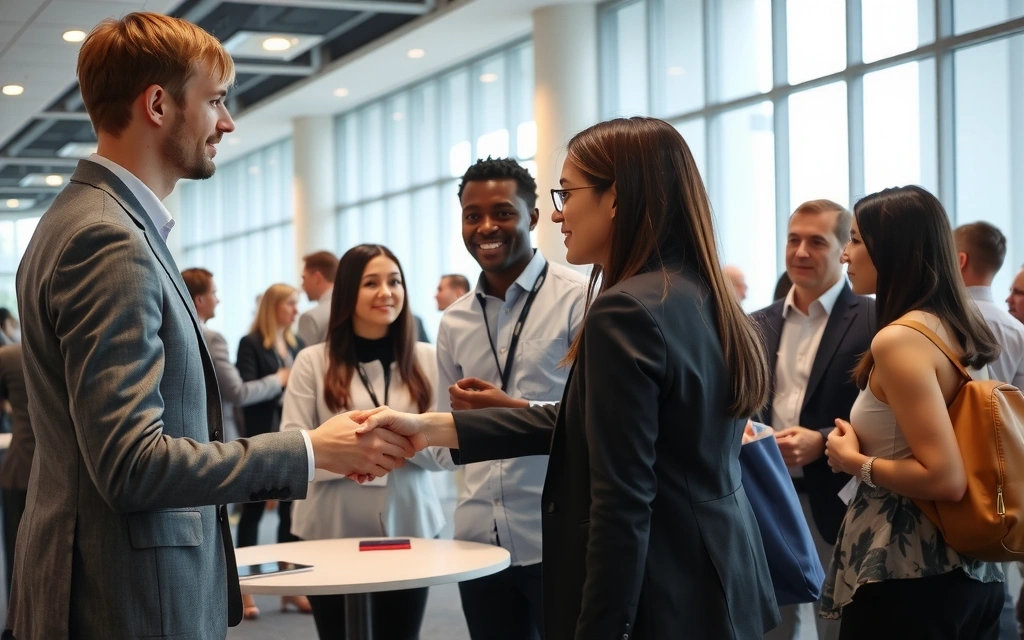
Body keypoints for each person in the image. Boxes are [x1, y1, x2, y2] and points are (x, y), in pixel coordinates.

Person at [6, 13, 414, 639]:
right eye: (217, 100)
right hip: (128, 599)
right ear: (159, 104)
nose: (227, 122)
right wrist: (311, 449)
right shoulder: (107, 239)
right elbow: (132, 465)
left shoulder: (89, 221)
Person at [351, 117, 780, 639]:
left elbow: (622, 501)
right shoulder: (695, 292)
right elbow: (599, 424)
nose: (557, 214)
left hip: (658, 590)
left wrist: (600, 627)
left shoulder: (622, 309)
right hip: (718, 574)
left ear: (616, 198)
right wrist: (434, 429)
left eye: (567, 193)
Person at [823, 185, 1005, 638]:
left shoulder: (900, 339)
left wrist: (855, 463)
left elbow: (945, 477)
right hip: (962, 571)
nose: (845, 255)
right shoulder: (950, 324)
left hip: (910, 574)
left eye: (857, 240)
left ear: (894, 251)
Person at [435, 157, 586, 640]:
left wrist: (508, 413)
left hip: (558, 538)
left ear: (534, 217)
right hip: (478, 538)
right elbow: (442, 446)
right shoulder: (453, 322)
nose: (485, 227)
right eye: (471, 215)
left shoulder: (580, 300)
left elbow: (597, 423)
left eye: (502, 212)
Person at [282, 244, 447, 639]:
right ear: (348, 292)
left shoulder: (427, 357)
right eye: (371, 283)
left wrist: (390, 447)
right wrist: (355, 456)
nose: (386, 292)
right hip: (328, 527)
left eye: (395, 281)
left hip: (410, 525)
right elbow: (291, 448)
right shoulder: (312, 361)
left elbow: (446, 452)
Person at [751, 199, 875, 640]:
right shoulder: (755, 323)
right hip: (765, 495)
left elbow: (887, 415)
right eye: (793, 240)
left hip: (839, 499)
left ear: (844, 248)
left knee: (837, 624)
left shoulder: (873, 319)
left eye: (817, 242)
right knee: (769, 624)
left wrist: (821, 440)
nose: (801, 252)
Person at [953, 221, 1024, 639]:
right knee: (995, 570)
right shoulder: (1016, 331)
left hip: (948, 469)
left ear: (959, 260)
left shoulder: (937, 322)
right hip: (1005, 472)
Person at [235, 284, 310, 616]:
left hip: (293, 440)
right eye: (291, 304)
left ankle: (289, 587)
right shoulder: (250, 344)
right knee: (251, 513)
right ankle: (245, 590)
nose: (296, 310)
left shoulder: (298, 345)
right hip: (261, 441)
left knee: (289, 515)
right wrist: (280, 379)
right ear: (274, 307)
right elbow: (245, 395)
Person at [181, 268, 289, 442]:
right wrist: (278, 380)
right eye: (214, 293)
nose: (218, 300)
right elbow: (238, 393)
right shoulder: (213, 339)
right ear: (200, 300)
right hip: (218, 434)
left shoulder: (177, 335)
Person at [0, 344, 31, 591]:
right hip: (67, 474)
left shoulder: (8, 357)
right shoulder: (78, 347)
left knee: (18, 559)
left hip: (21, 469)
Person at [298, 250, 339, 346]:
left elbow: (304, 360)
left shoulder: (310, 318)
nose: (302, 285)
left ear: (317, 278)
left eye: (304, 278)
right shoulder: (353, 307)